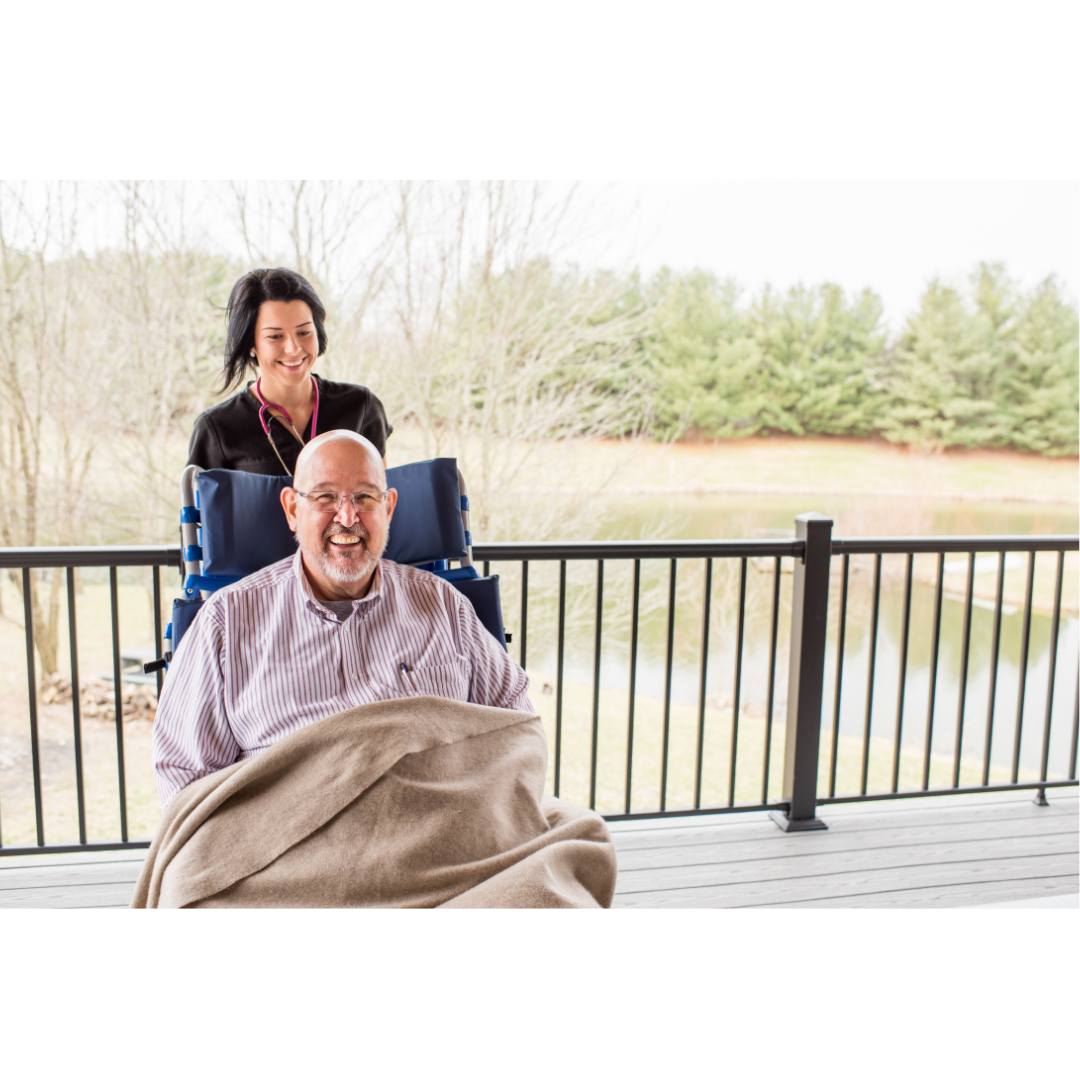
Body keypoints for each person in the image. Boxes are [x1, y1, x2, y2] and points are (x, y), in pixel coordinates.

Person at [153, 430, 532, 808]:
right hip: (294, 835)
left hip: (443, 824)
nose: (348, 517)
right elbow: (185, 777)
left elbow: (516, 726)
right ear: (292, 509)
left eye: (365, 497)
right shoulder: (225, 621)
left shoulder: (443, 604)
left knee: (567, 832)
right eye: (325, 497)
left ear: (388, 508)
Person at [187, 267, 393, 476]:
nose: (294, 348)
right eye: (275, 336)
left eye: (304, 332)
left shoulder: (361, 407)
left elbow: (382, 493)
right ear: (250, 343)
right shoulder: (216, 429)